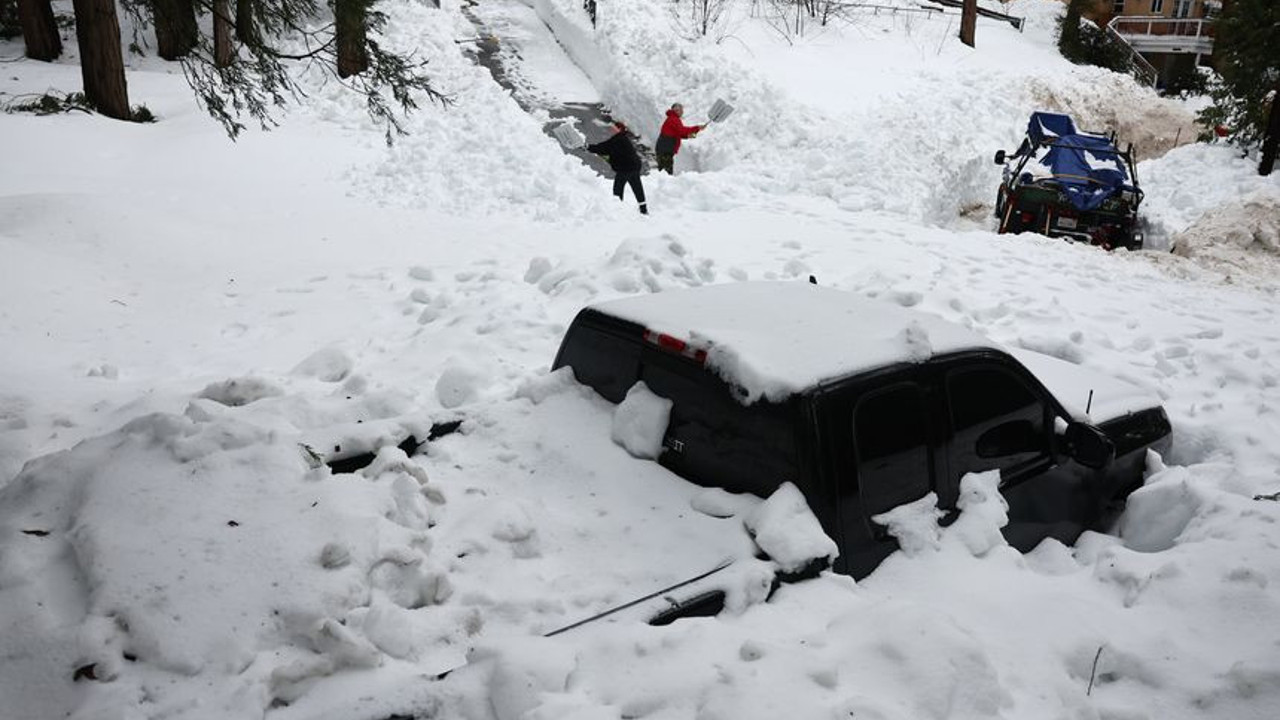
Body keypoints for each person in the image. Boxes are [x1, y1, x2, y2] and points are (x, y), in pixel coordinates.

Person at [587, 121, 648, 215]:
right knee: (637, 187)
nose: (612, 129)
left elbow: (603, 148)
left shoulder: (618, 139)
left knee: (618, 189)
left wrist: (588, 147)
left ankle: (618, 211)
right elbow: (606, 148)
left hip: (625, 169)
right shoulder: (623, 138)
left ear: (620, 129)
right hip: (634, 166)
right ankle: (643, 209)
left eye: (614, 128)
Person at [654, 103, 704, 175]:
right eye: (680, 110)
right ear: (675, 110)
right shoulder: (673, 119)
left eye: (681, 110)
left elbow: (678, 133)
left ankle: (665, 184)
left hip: (664, 149)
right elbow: (682, 130)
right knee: (666, 172)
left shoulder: (673, 118)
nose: (682, 112)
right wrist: (697, 128)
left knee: (664, 170)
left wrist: (690, 135)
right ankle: (666, 185)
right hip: (665, 149)